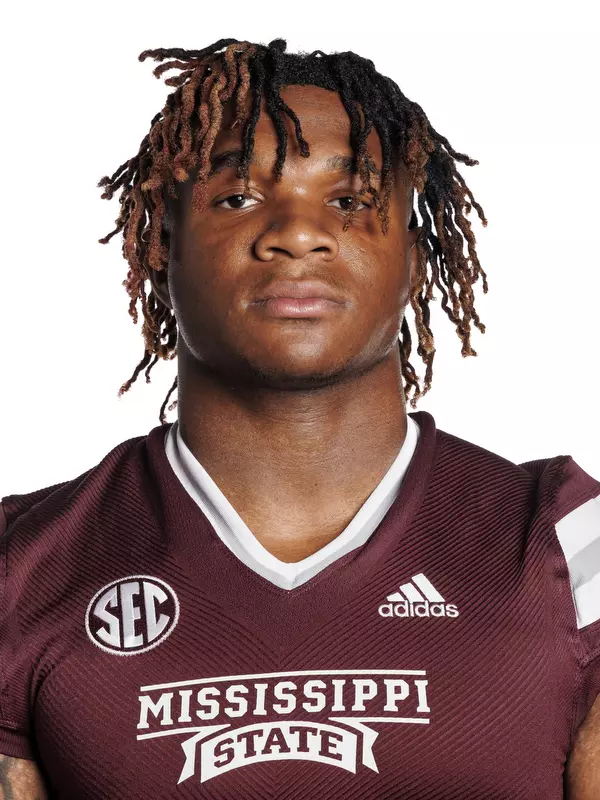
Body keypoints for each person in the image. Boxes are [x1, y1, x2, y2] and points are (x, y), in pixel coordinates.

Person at [0, 37, 598, 799]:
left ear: (415, 258)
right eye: (238, 198)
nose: (297, 233)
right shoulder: (21, 564)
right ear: (161, 245)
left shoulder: (574, 543)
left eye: (348, 202)